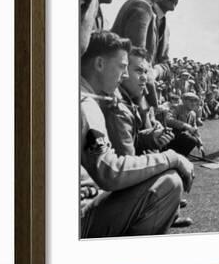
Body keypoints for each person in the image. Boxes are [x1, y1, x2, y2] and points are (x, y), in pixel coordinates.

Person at [80, 31, 195, 237]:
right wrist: (171, 158)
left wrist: (148, 138)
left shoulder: (90, 97)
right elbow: (110, 172)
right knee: (169, 184)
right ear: (99, 64)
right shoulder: (86, 105)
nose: (124, 75)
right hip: (79, 218)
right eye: (122, 67)